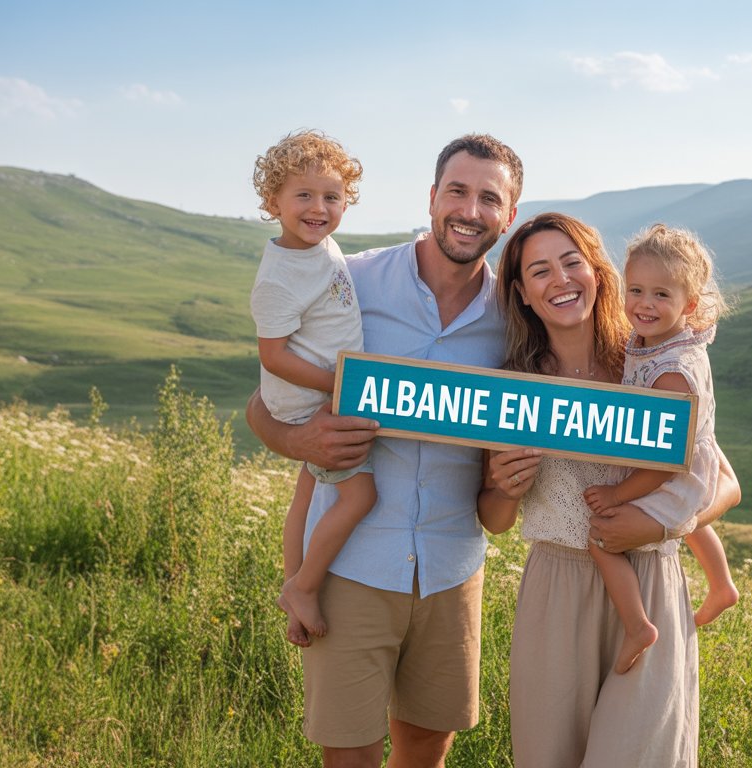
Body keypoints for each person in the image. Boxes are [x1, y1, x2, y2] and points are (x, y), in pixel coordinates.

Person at [246, 134, 522, 768]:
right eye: (457, 190)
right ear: (431, 197)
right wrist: (296, 438)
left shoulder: (515, 317)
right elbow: (262, 403)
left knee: (426, 755)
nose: (469, 209)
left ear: (507, 215)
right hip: (352, 569)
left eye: (489, 198)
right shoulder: (350, 280)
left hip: (452, 570)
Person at [477, 212, 741, 768]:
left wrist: (664, 522)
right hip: (556, 589)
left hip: (646, 584)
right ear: (522, 293)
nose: (561, 280)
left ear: (597, 273)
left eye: (572, 263)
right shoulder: (514, 385)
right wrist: (504, 486)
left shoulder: (648, 359)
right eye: (540, 271)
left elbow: (723, 482)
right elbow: (495, 519)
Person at [581, 223, 740, 674]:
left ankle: (638, 625)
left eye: (661, 295)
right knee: (684, 518)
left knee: (599, 535)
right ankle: (722, 583)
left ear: (689, 304)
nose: (645, 304)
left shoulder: (672, 371)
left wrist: (617, 495)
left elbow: (666, 466)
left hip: (675, 469)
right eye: (635, 290)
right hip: (686, 462)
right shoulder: (655, 340)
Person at [249, 129, 376, 645]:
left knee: (305, 494)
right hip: (311, 405)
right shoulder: (279, 277)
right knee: (358, 495)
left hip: (315, 397)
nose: (318, 207)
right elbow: (272, 355)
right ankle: (304, 586)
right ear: (273, 201)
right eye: (303, 195)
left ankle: (292, 583)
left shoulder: (318, 247)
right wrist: (339, 384)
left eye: (332, 196)